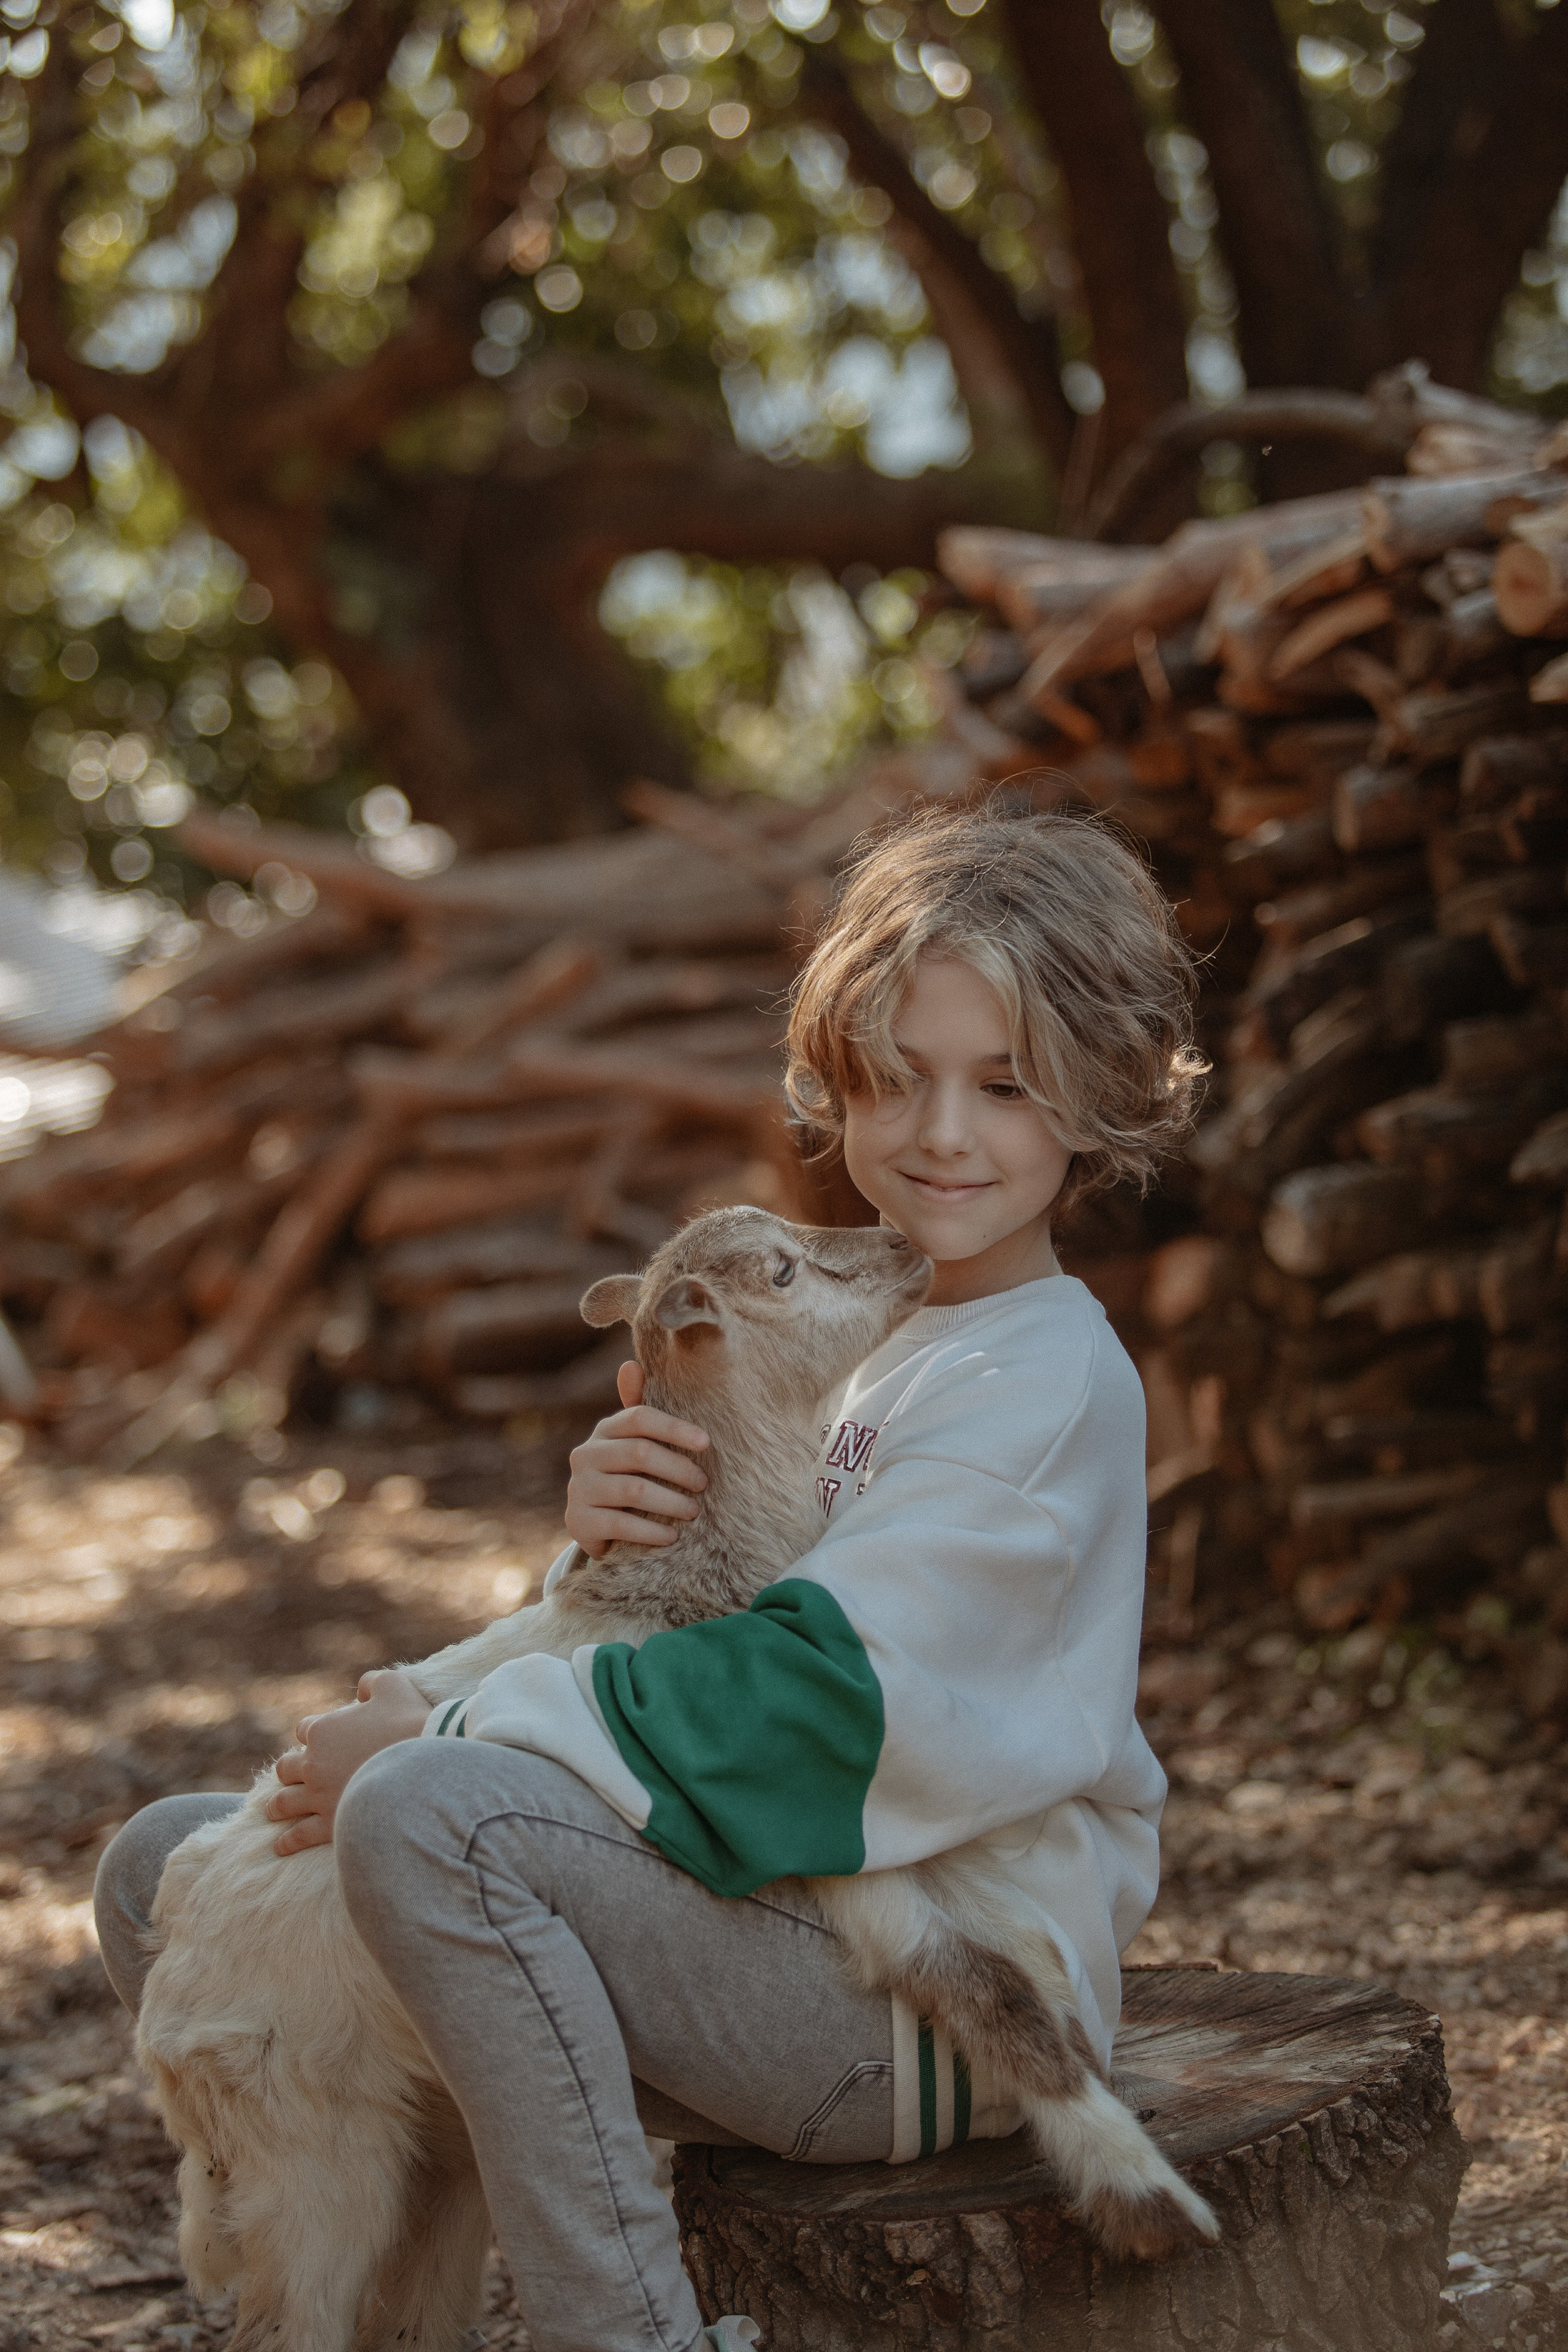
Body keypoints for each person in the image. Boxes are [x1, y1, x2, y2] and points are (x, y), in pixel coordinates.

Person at [94, 803, 1205, 2352]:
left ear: (1099, 1094)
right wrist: (609, 1536)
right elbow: (705, 1613)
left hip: (920, 2007)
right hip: (764, 1916)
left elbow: (827, 1695)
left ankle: (621, 2330)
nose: (942, 1131)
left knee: (420, 1814)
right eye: (898, 1079)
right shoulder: (859, 1340)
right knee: (168, 1864)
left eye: (1005, 1086)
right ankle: (380, 2310)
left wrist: (447, 1738)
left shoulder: (1040, 1385)